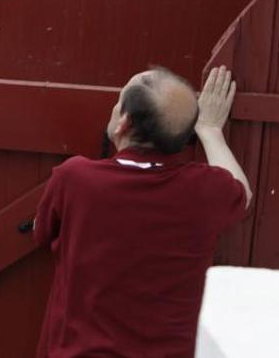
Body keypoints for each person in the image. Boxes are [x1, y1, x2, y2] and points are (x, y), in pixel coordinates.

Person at [34, 66, 250, 357]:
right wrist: (210, 130)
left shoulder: (75, 179)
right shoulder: (202, 189)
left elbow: (42, 232)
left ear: (123, 123)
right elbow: (241, 191)